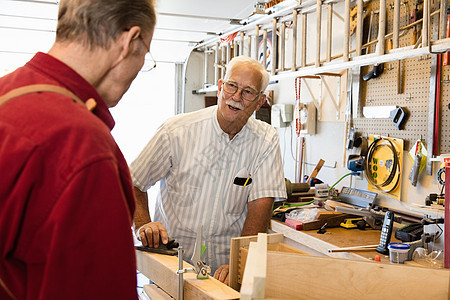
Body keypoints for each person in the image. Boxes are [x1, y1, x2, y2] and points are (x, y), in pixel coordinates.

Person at [0, 0, 156, 299]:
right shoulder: (83, 147)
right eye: (145, 54)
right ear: (128, 41)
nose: (139, 69)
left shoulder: (6, 92)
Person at [131, 55, 287, 284]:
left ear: (260, 101)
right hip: (173, 263)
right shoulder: (176, 131)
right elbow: (132, 180)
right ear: (221, 86)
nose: (236, 97)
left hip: (225, 272)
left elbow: (260, 205)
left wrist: (241, 263)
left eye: (247, 92)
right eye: (232, 86)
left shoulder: (265, 140)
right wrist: (144, 225)